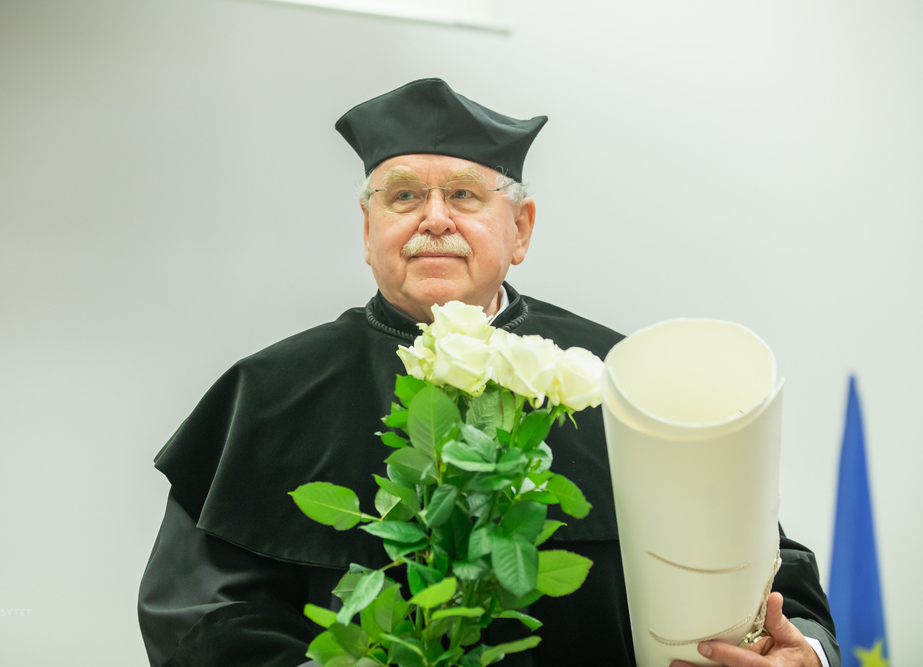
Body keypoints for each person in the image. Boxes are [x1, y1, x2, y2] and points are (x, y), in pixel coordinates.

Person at [138, 78, 838, 667]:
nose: (433, 218)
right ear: (367, 228)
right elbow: (200, 614)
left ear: (522, 228)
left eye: (466, 196)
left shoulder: (625, 379)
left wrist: (802, 648)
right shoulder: (268, 392)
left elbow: (768, 573)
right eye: (403, 195)